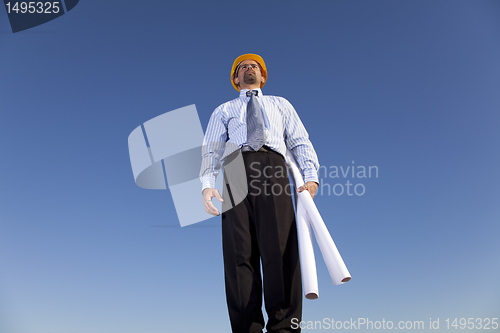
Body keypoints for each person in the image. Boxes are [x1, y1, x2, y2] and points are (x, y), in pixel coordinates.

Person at [200, 53, 319, 333]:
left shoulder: (280, 104)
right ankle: (246, 328)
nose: (249, 68)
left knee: (279, 248)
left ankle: (284, 327)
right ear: (235, 79)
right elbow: (212, 148)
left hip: (273, 165)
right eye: (242, 67)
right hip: (235, 169)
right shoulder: (224, 110)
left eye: (255, 66)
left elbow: (300, 140)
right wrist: (207, 184)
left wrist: (311, 176)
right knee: (239, 253)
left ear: (263, 76)